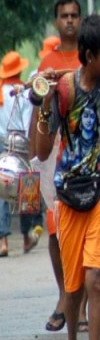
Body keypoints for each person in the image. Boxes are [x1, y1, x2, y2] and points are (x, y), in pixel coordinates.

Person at [34, 13, 100, 340]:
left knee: (95, 279)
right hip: (68, 198)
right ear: (89, 56)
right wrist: (45, 106)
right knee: (73, 289)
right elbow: (44, 152)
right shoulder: (64, 91)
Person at [31, 0, 86, 334]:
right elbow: (39, 108)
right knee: (55, 230)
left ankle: (77, 302)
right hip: (54, 156)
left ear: (81, 20)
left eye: (74, 16)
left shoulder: (88, 58)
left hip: (84, 152)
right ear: (56, 21)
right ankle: (66, 296)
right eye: (64, 16)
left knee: (82, 232)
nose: (69, 21)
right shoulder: (47, 63)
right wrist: (33, 154)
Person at [0, 51, 39, 256]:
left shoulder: (0, 91)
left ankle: (3, 241)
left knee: (2, 189)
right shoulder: (22, 92)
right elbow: (26, 121)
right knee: (26, 189)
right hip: (20, 143)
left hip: (2, 144)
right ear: (20, 69)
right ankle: (26, 237)